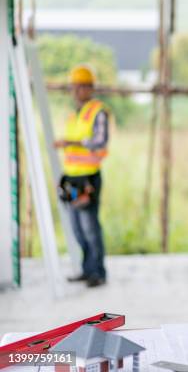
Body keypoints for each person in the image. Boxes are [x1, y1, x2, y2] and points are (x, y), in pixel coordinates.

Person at [54, 65, 109, 288]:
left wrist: (71, 143)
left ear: (90, 88)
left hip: (88, 179)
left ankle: (98, 272)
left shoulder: (98, 111)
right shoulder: (73, 114)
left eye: (81, 87)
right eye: (74, 87)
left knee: (89, 227)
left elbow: (100, 141)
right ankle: (87, 270)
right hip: (72, 178)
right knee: (77, 227)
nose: (76, 91)